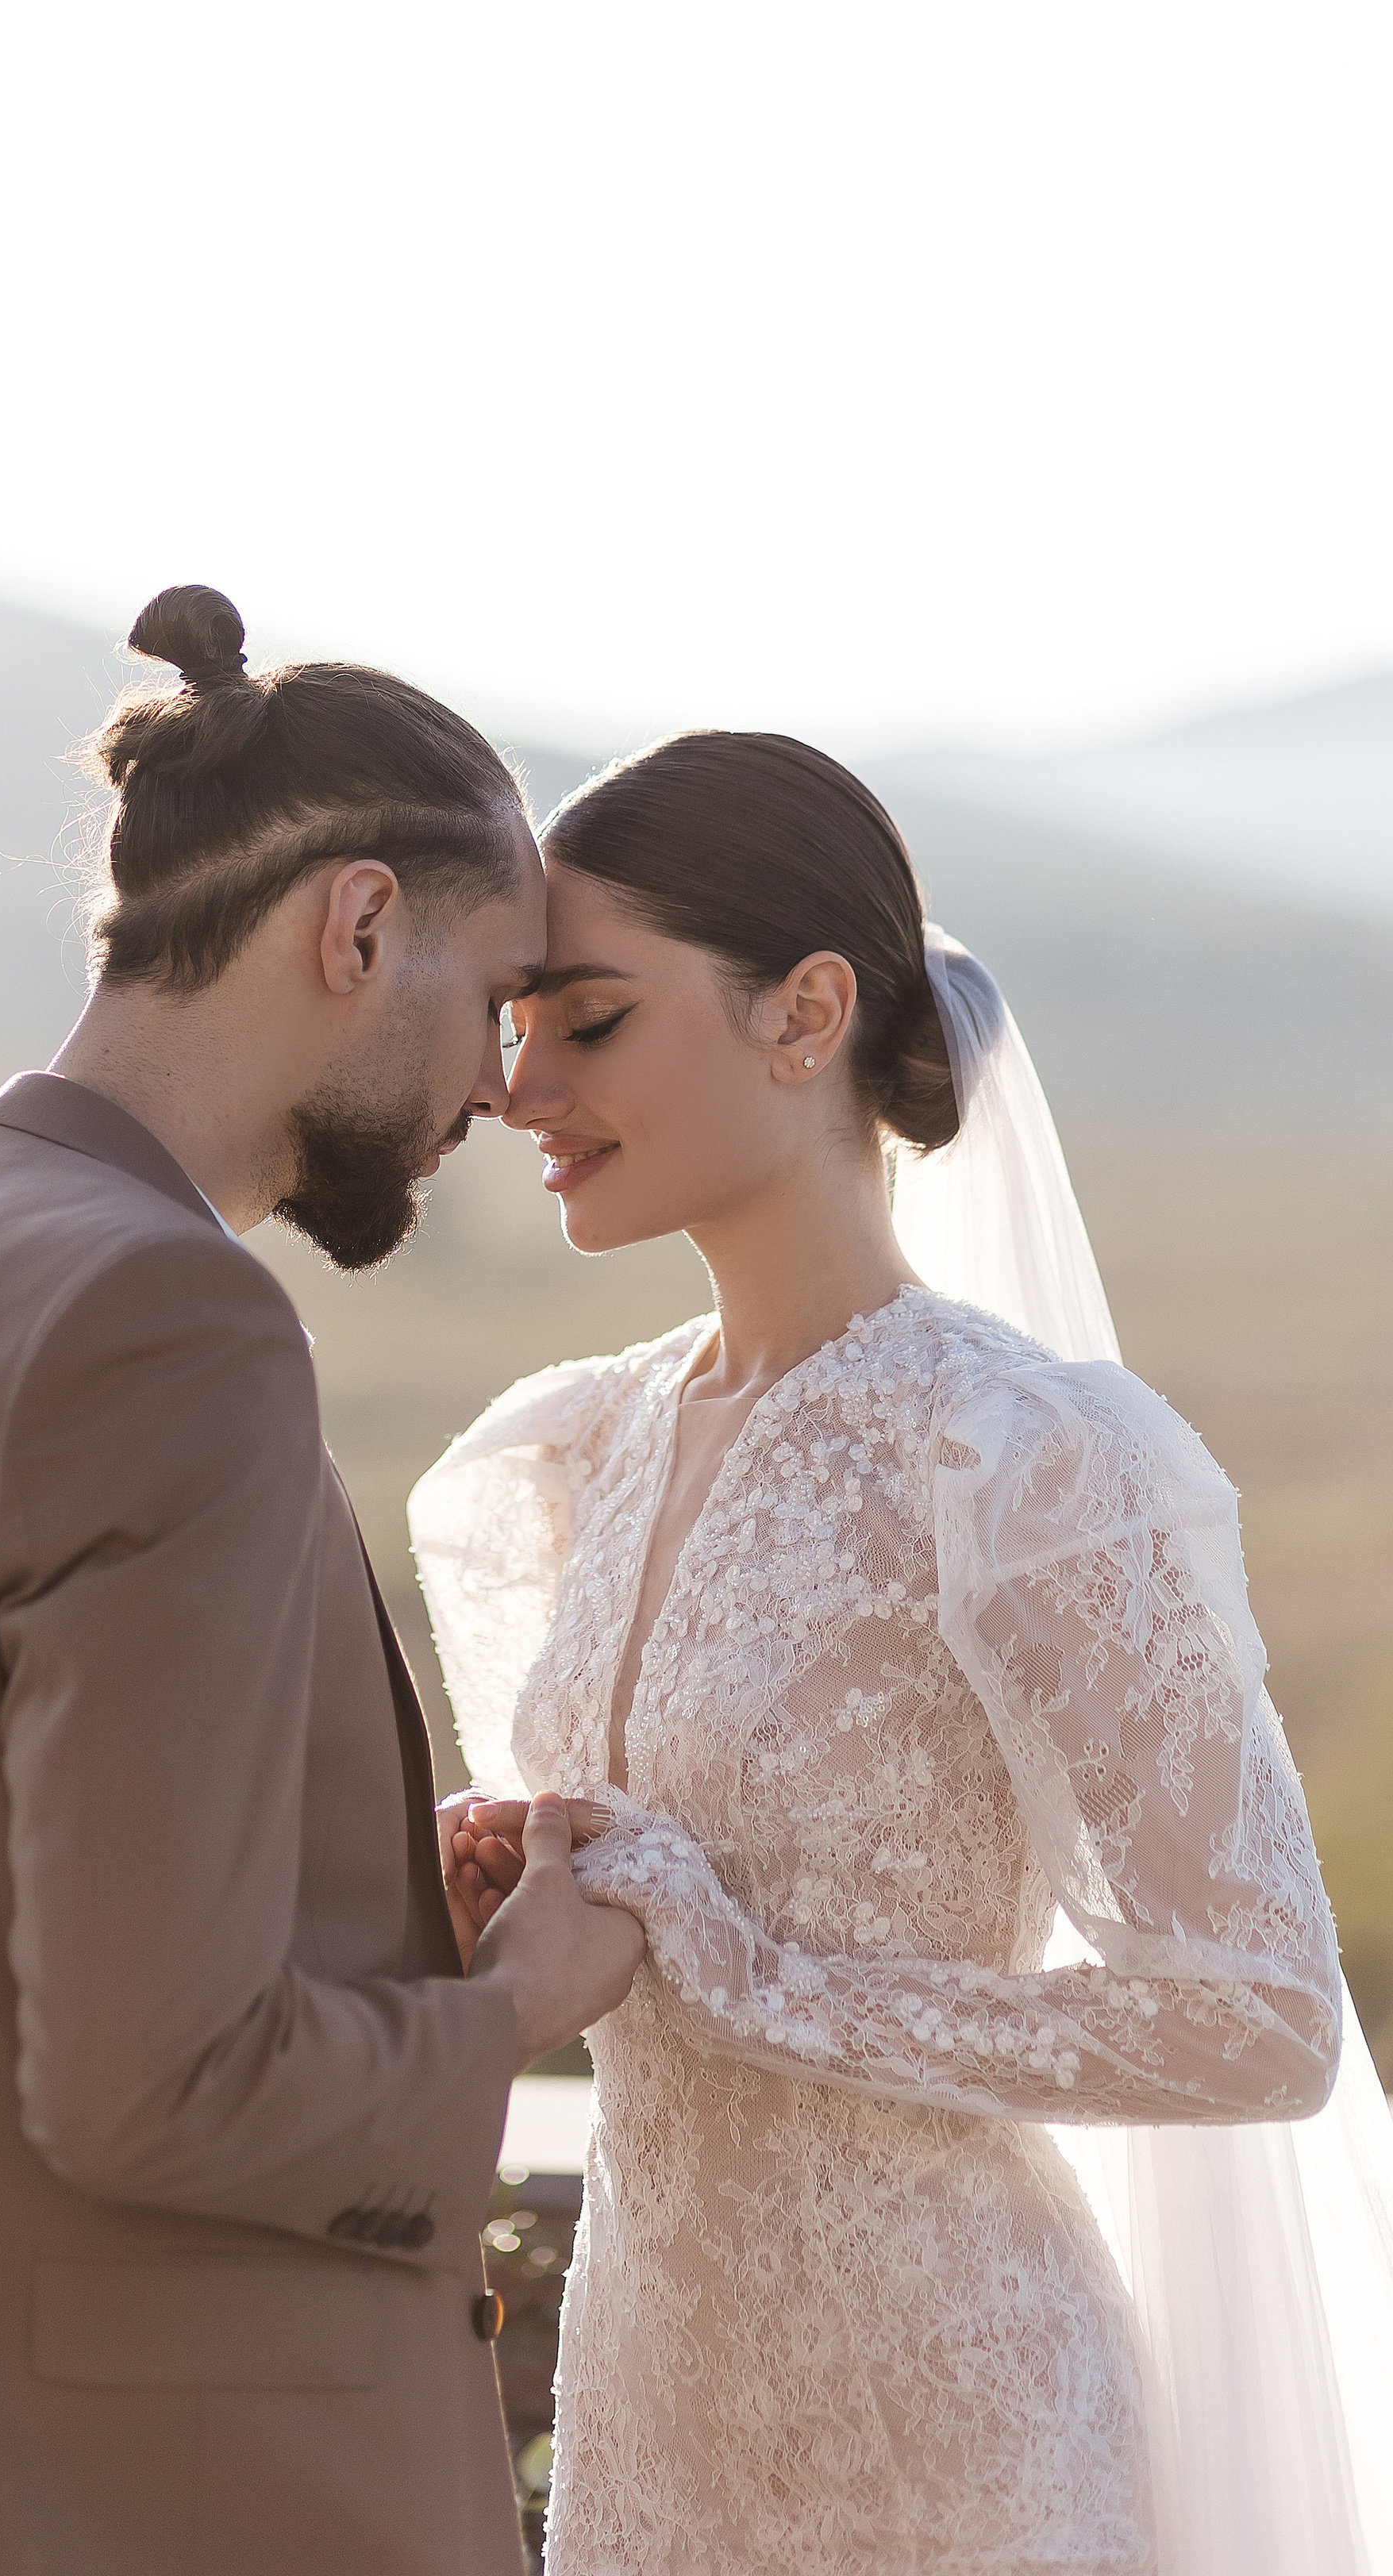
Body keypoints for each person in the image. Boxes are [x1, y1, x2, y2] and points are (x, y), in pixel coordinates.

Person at [0, 585, 644, 2576]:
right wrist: (509, 2001)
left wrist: (345, 1889)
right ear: (356, 929)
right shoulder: (172, 1323)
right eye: (498, 996)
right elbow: (152, 2087)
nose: (505, 1088)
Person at [414, 730, 1393, 2576]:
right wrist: (510, 1867)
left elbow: (1261, 2019)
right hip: (650, 2425)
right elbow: (635, 1903)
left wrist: (755, 1975)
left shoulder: (1023, 1458)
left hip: (953, 2437)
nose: (517, 1082)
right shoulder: (566, 1455)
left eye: (592, 1020)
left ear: (806, 1015)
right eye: (519, 1020)